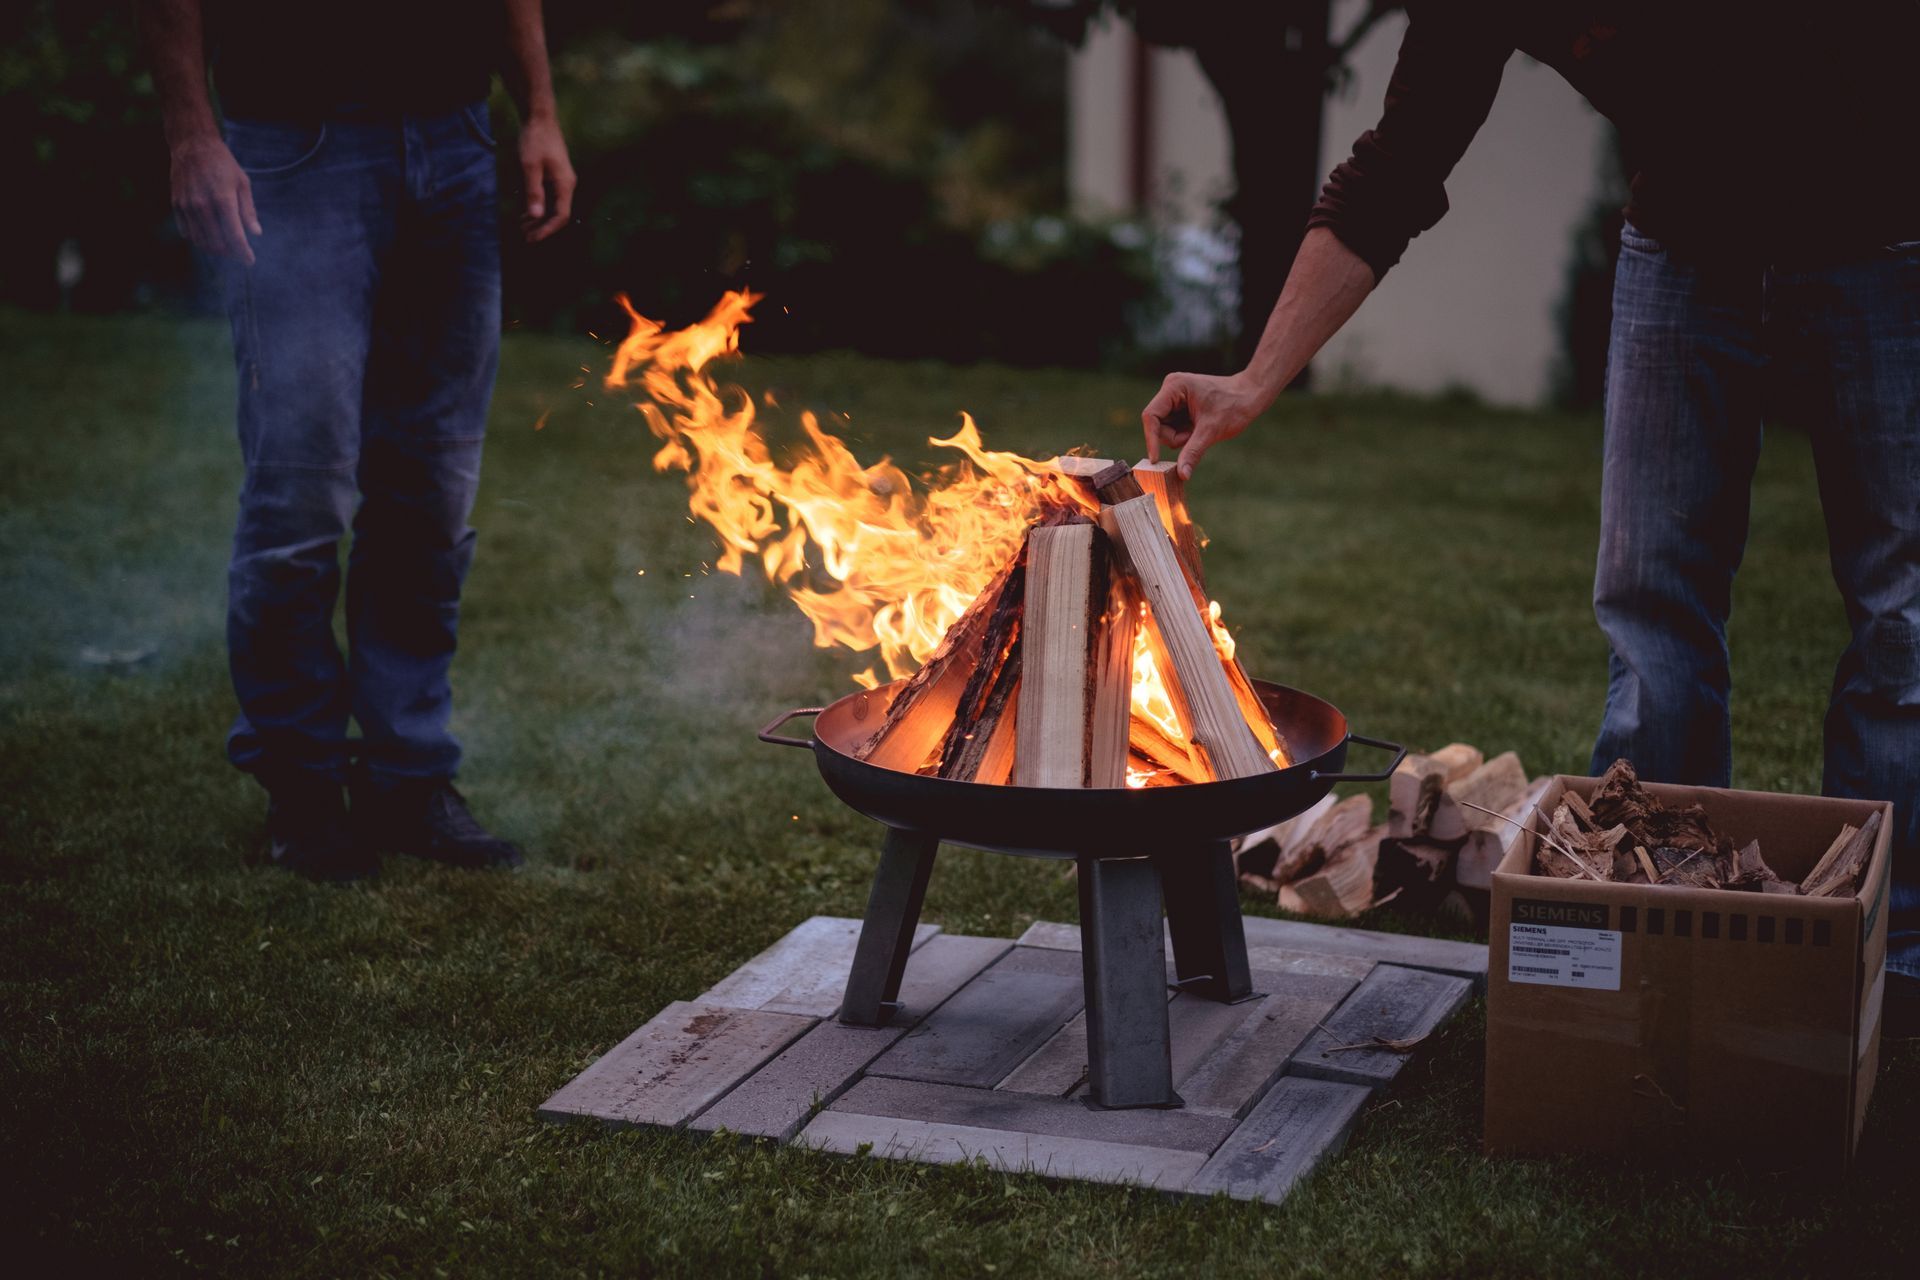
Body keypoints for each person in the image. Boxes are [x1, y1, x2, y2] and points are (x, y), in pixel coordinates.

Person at [1143, 3, 1919, 1028]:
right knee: (1652, 612)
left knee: (1901, 606)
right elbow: (1397, 170)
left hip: (1880, 236)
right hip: (1684, 247)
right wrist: (1254, 379)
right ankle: (1653, 924)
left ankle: (1885, 956)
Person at [144, 1, 576, 881]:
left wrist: (538, 110)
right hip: (295, 142)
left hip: (455, 137)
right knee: (300, 495)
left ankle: (407, 780)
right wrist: (191, 132)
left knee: (430, 495)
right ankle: (303, 788)